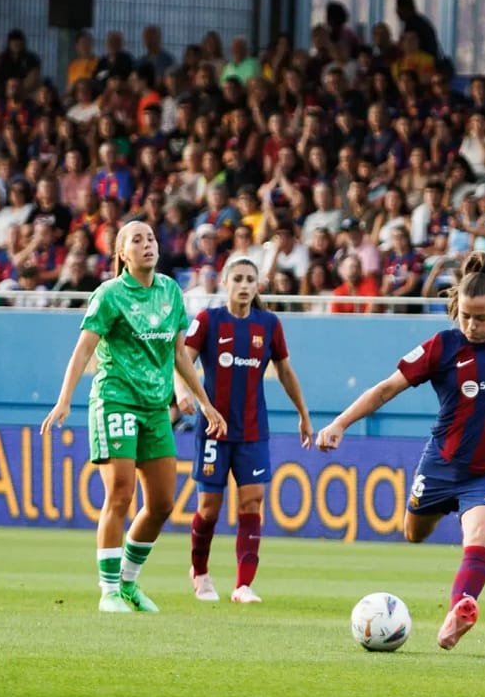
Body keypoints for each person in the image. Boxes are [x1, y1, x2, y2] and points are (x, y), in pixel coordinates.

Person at [317, 253, 485, 649]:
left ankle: (460, 608)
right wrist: (339, 423)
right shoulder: (442, 347)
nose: (471, 325)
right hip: (442, 465)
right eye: (465, 315)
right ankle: (451, 563)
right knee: (414, 533)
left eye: (481, 317)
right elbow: (385, 388)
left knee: (480, 536)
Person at [41, 220, 227, 613]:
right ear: (122, 254)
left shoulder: (171, 292)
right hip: (115, 400)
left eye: (152, 238)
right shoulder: (109, 294)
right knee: (121, 492)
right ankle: (108, 590)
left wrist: (204, 402)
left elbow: (180, 354)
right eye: (137, 240)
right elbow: (82, 350)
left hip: (156, 407)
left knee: (161, 502)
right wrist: (64, 400)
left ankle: (127, 582)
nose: (147, 245)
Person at [179, 255, 314, 604]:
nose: (242, 285)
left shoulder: (269, 324)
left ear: (257, 286)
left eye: (249, 280)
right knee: (209, 506)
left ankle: (243, 585)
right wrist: (182, 393)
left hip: (253, 429)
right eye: (236, 278)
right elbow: (182, 362)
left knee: (252, 503)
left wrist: (303, 413)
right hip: (214, 429)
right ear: (225, 282)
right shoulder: (208, 320)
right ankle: (201, 573)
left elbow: (285, 371)